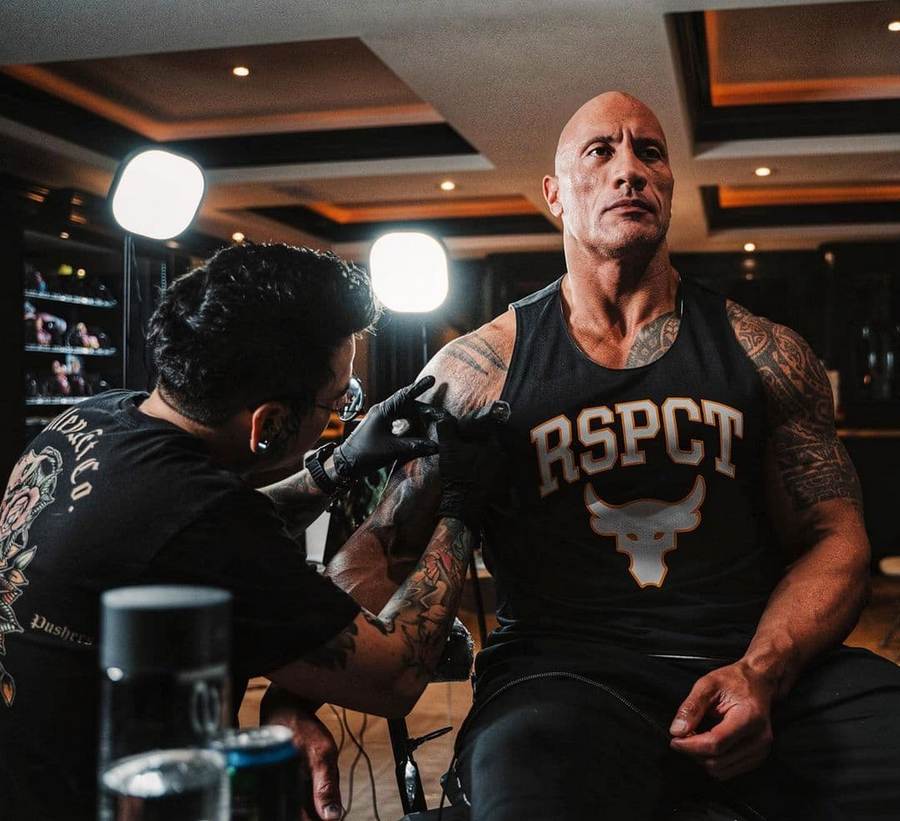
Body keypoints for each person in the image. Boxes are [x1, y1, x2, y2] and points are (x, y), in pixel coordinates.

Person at [328, 93, 900, 819]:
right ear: (554, 195)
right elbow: (370, 552)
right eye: (600, 152)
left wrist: (762, 670)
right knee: (525, 783)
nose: (629, 169)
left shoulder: (765, 353)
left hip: (751, 660)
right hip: (562, 678)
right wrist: (297, 695)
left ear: (669, 186)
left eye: (649, 152)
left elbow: (835, 536)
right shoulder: (478, 372)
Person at [0, 242, 499, 820]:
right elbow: (392, 675)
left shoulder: (96, 418)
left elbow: (203, 533)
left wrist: (339, 464)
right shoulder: (205, 519)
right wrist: (460, 506)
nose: (343, 412)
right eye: (338, 400)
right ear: (269, 423)